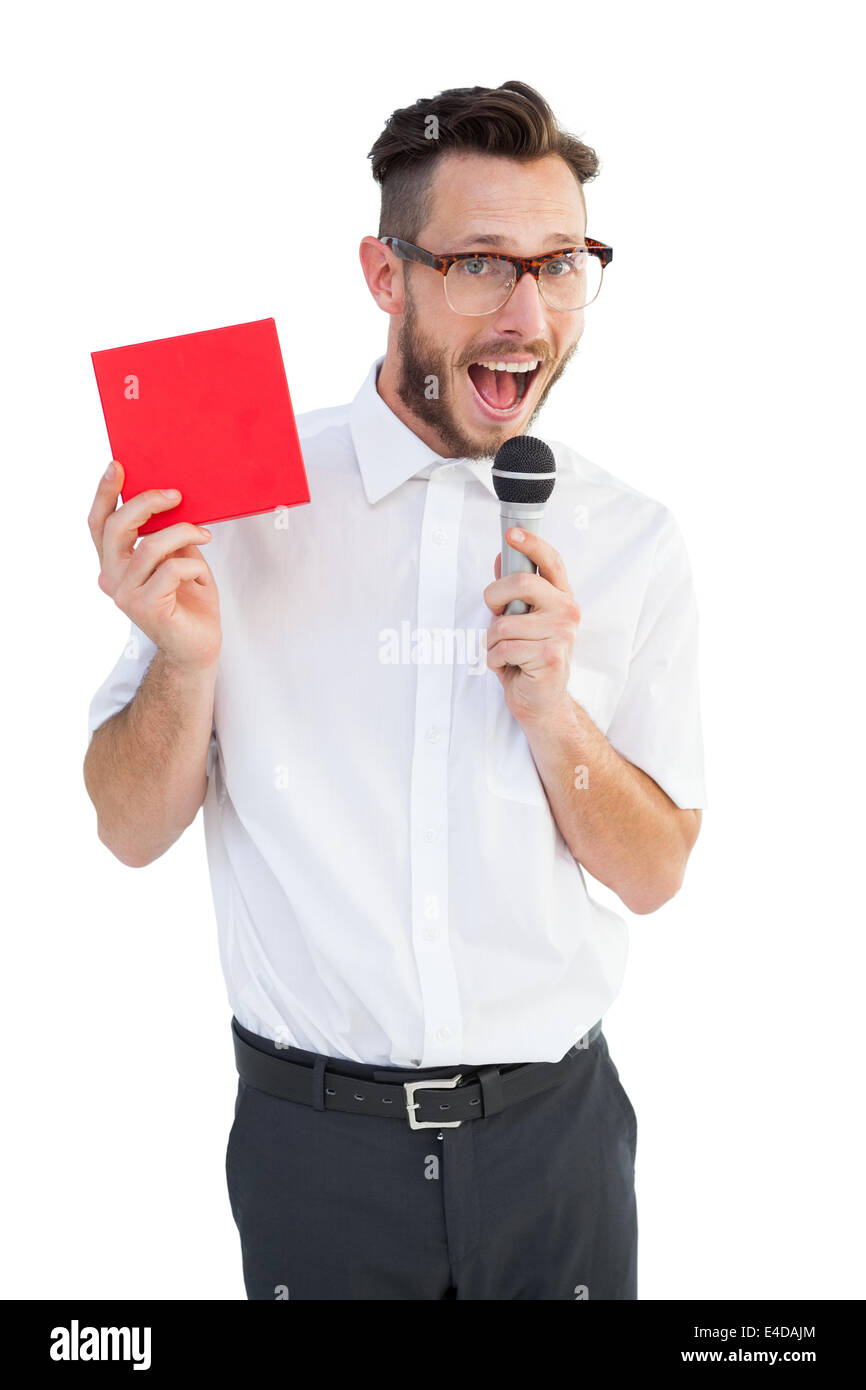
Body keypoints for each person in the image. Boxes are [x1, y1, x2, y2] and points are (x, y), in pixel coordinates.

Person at [84, 79, 706, 1301]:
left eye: (560, 261)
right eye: (480, 263)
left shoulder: (631, 536)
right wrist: (185, 658)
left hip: (556, 1149)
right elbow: (123, 827)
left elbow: (653, 871)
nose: (529, 313)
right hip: (316, 1154)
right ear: (384, 273)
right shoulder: (238, 499)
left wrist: (550, 714)